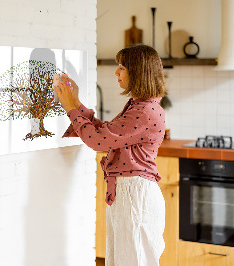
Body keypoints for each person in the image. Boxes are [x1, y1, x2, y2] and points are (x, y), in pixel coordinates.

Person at [54, 44, 167, 266]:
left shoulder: (144, 111)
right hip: (130, 193)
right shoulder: (140, 106)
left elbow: (98, 141)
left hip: (135, 195)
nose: (116, 72)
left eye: (122, 67)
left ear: (138, 71)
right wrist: (76, 103)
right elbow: (106, 133)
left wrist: (70, 108)